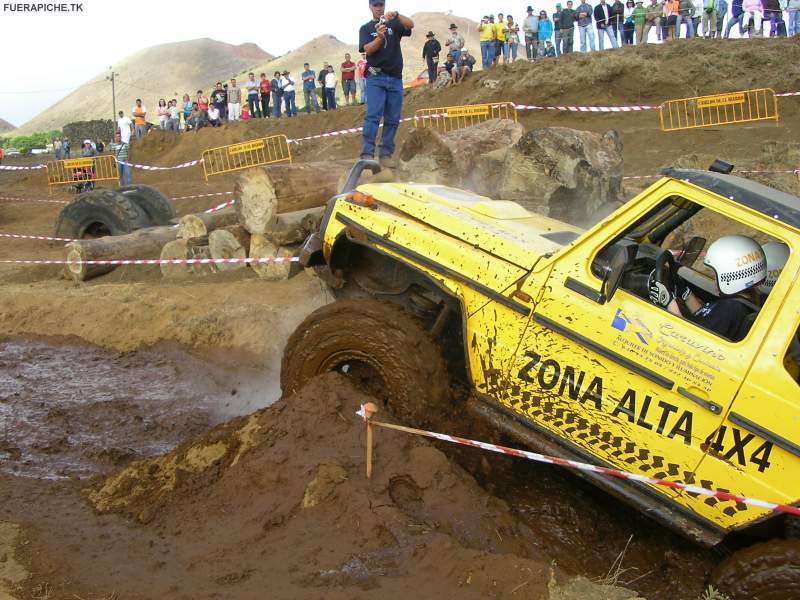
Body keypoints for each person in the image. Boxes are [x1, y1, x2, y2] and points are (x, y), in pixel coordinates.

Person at [649, 235, 767, 342]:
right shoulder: (740, 303)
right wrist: (687, 294)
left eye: (716, 274)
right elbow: (705, 318)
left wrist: (668, 302)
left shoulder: (729, 310)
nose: (714, 279)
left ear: (731, 275)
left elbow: (688, 340)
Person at [358, 0, 413, 168]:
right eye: (375, 5)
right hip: (376, 77)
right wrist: (380, 37)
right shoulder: (366, 28)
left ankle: (385, 154)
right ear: (370, 7)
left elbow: (411, 25)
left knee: (393, 118)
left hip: (395, 78)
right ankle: (367, 153)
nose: (379, 7)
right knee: (373, 115)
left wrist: (397, 15)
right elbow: (367, 50)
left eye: (381, 4)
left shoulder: (394, 23)